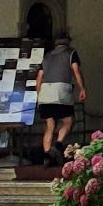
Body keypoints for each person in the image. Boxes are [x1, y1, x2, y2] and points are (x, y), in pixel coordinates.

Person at [36, 33, 86, 164]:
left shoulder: (47, 56)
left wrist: (39, 96)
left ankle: (47, 155)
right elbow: (76, 71)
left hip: (45, 92)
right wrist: (82, 89)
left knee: (50, 126)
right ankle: (57, 145)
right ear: (68, 41)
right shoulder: (71, 53)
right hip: (61, 91)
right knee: (68, 121)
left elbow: (39, 78)